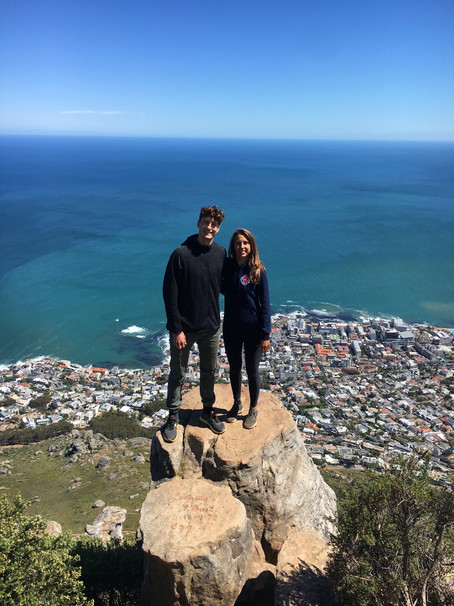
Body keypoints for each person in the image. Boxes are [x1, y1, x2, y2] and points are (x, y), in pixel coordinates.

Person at [161, 205, 226, 443]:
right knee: (177, 373)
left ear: (218, 229)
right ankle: (173, 416)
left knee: (209, 371)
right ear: (198, 223)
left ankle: (208, 412)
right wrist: (176, 329)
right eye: (206, 222)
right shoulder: (181, 254)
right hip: (185, 329)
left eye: (214, 225)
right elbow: (170, 294)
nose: (210, 227)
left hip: (210, 327)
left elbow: (225, 285)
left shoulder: (220, 253)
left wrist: (252, 274)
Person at [222, 228, 271, 429]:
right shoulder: (228, 267)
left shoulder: (257, 270)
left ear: (251, 246)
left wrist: (265, 334)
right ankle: (236, 403)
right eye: (238, 243)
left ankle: (253, 408)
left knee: (252, 371)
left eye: (245, 243)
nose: (241, 246)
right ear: (233, 247)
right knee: (234, 368)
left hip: (252, 330)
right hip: (231, 327)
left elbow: (266, 304)